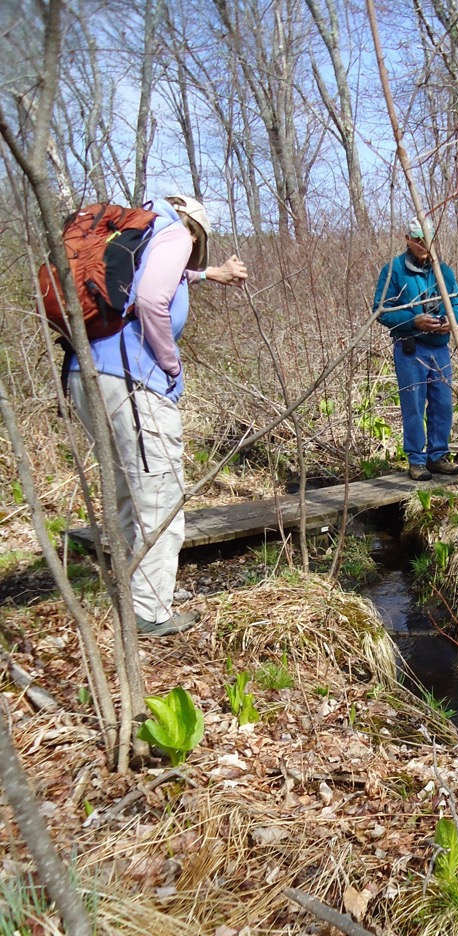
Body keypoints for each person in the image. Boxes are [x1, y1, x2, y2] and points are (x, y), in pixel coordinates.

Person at [67, 194, 247, 636]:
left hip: (87, 375)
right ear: (195, 230)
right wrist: (171, 365)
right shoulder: (174, 234)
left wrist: (208, 274)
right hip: (135, 384)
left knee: (130, 492)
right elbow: (150, 300)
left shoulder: (136, 235)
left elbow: (154, 277)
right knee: (160, 497)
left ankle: (135, 596)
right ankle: (150, 611)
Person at [372, 218, 458, 481]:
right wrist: (413, 321)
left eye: (428, 239)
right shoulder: (394, 270)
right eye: (418, 239)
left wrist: (451, 321)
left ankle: (438, 457)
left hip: (439, 349)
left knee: (443, 404)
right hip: (410, 350)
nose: (424, 244)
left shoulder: (443, 272)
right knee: (413, 405)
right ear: (408, 239)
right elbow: (380, 311)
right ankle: (416, 460)